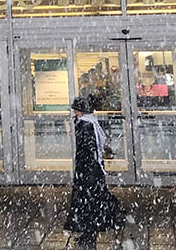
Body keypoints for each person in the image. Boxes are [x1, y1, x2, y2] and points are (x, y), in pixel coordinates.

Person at [64, 96, 122, 249]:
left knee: (88, 202)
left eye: (76, 110)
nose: (74, 113)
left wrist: (87, 171)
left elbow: (89, 150)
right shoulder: (89, 123)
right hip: (91, 170)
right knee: (93, 200)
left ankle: (89, 232)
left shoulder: (85, 125)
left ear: (81, 111)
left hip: (88, 171)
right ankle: (94, 228)